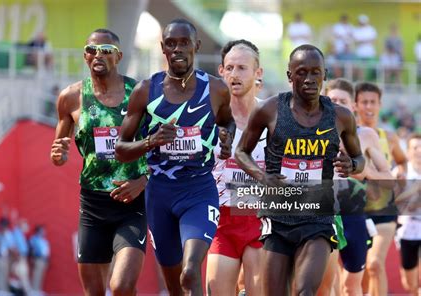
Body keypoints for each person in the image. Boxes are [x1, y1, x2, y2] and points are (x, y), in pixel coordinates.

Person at [115, 19, 235, 295]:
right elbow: (121, 149)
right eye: (171, 44)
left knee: (190, 271)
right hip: (160, 195)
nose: (178, 49)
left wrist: (226, 137)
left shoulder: (216, 89)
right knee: (174, 284)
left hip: (199, 189)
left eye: (184, 43)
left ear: (196, 46)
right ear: (163, 48)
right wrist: (150, 141)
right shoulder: (145, 90)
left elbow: (227, 122)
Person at [234, 44, 365, 295]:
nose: (309, 79)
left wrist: (352, 164)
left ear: (325, 75)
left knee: (305, 292)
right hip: (278, 216)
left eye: (316, 72)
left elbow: (359, 158)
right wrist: (262, 177)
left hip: (318, 217)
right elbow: (241, 152)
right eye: (302, 72)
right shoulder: (269, 110)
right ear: (289, 76)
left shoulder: (341, 116)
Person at [50, 28, 148, 295]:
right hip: (93, 205)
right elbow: (59, 150)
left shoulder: (140, 93)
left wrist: (143, 180)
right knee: (94, 292)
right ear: (85, 56)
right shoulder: (71, 97)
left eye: (107, 50)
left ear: (119, 57)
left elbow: (160, 147)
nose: (98, 55)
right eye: (92, 50)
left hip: (132, 202)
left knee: (121, 286)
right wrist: (58, 155)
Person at [325, 78, 394, 296]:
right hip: (322, 214)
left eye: (342, 100)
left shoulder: (366, 135)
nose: (337, 104)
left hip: (353, 215)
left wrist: (364, 172)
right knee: (327, 284)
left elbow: (389, 178)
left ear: (353, 105)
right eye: (332, 99)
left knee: (351, 285)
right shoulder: (310, 133)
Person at [206, 39, 264, 296]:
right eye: (229, 68)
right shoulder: (208, 118)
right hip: (223, 220)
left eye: (242, 68)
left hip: (262, 218)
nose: (234, 74)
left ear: (257, 73)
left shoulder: (273, 117)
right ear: (221, 72)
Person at [354, 81, 408, 296]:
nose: (368, 106)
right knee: (361, 273)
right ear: (356, 105)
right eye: (364, 102)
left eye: (373, 102)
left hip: (384, 211)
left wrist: (400, 172)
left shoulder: (389, 138)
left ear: (379, 104)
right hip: (357, 211)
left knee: (375, 263)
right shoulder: (350, 137)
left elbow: (402, 161)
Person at [395, 133, 421, 296]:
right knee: (409, 283)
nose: (419, 151)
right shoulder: (400, 172)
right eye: (415, 147)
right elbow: (392, 201)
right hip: (406, 232)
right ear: (408, 151)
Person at [29, 225, 50, 293]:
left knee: (41, 275)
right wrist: (32, 258)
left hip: (44, 259)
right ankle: (34, 290)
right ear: (38, 231)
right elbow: (32, 249)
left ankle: (38, 289)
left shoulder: (43, 240)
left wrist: (47, 260)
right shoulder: (34, 239)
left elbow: (46, 251)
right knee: (36, 274)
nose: (44, 232)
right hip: (37, 258)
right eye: (42, 230)